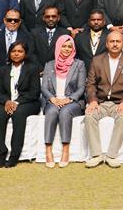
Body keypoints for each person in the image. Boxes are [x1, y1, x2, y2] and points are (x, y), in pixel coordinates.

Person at [84, 31, 123, 168]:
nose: (115, 44)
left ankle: (111, 155)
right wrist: (93, 101)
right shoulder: (97, 60)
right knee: (89, 115)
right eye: (112, 41)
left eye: (118, 41)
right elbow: (90, 83)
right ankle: (96, 155)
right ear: (107, 44)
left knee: (122, 116)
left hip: (120, 102)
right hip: (101, 102)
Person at [0, 41, 41, 168]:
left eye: (20, 51)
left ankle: (14, 155)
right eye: (13, 51)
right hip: (6, 101)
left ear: (25, 53)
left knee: (18, 114)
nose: (16, 54)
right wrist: (7, 101)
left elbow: (34, 92)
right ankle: (1, 152)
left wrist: (16, 102)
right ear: (9, 53)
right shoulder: (3, 69)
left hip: (27, 102)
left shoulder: (32, 68)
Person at [41, 36, 86, 168]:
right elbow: (44, 88)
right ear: (58, 47)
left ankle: (65, 150)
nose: (66, 49)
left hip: (72, 102)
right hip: (53, 100)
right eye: (64, 46)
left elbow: (81, 88)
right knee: (51, 111)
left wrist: (69, 99)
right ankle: (48, 150)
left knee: (65, 112)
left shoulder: (79, 64)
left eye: (69, 47)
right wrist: (52, 98)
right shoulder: (49, 65)